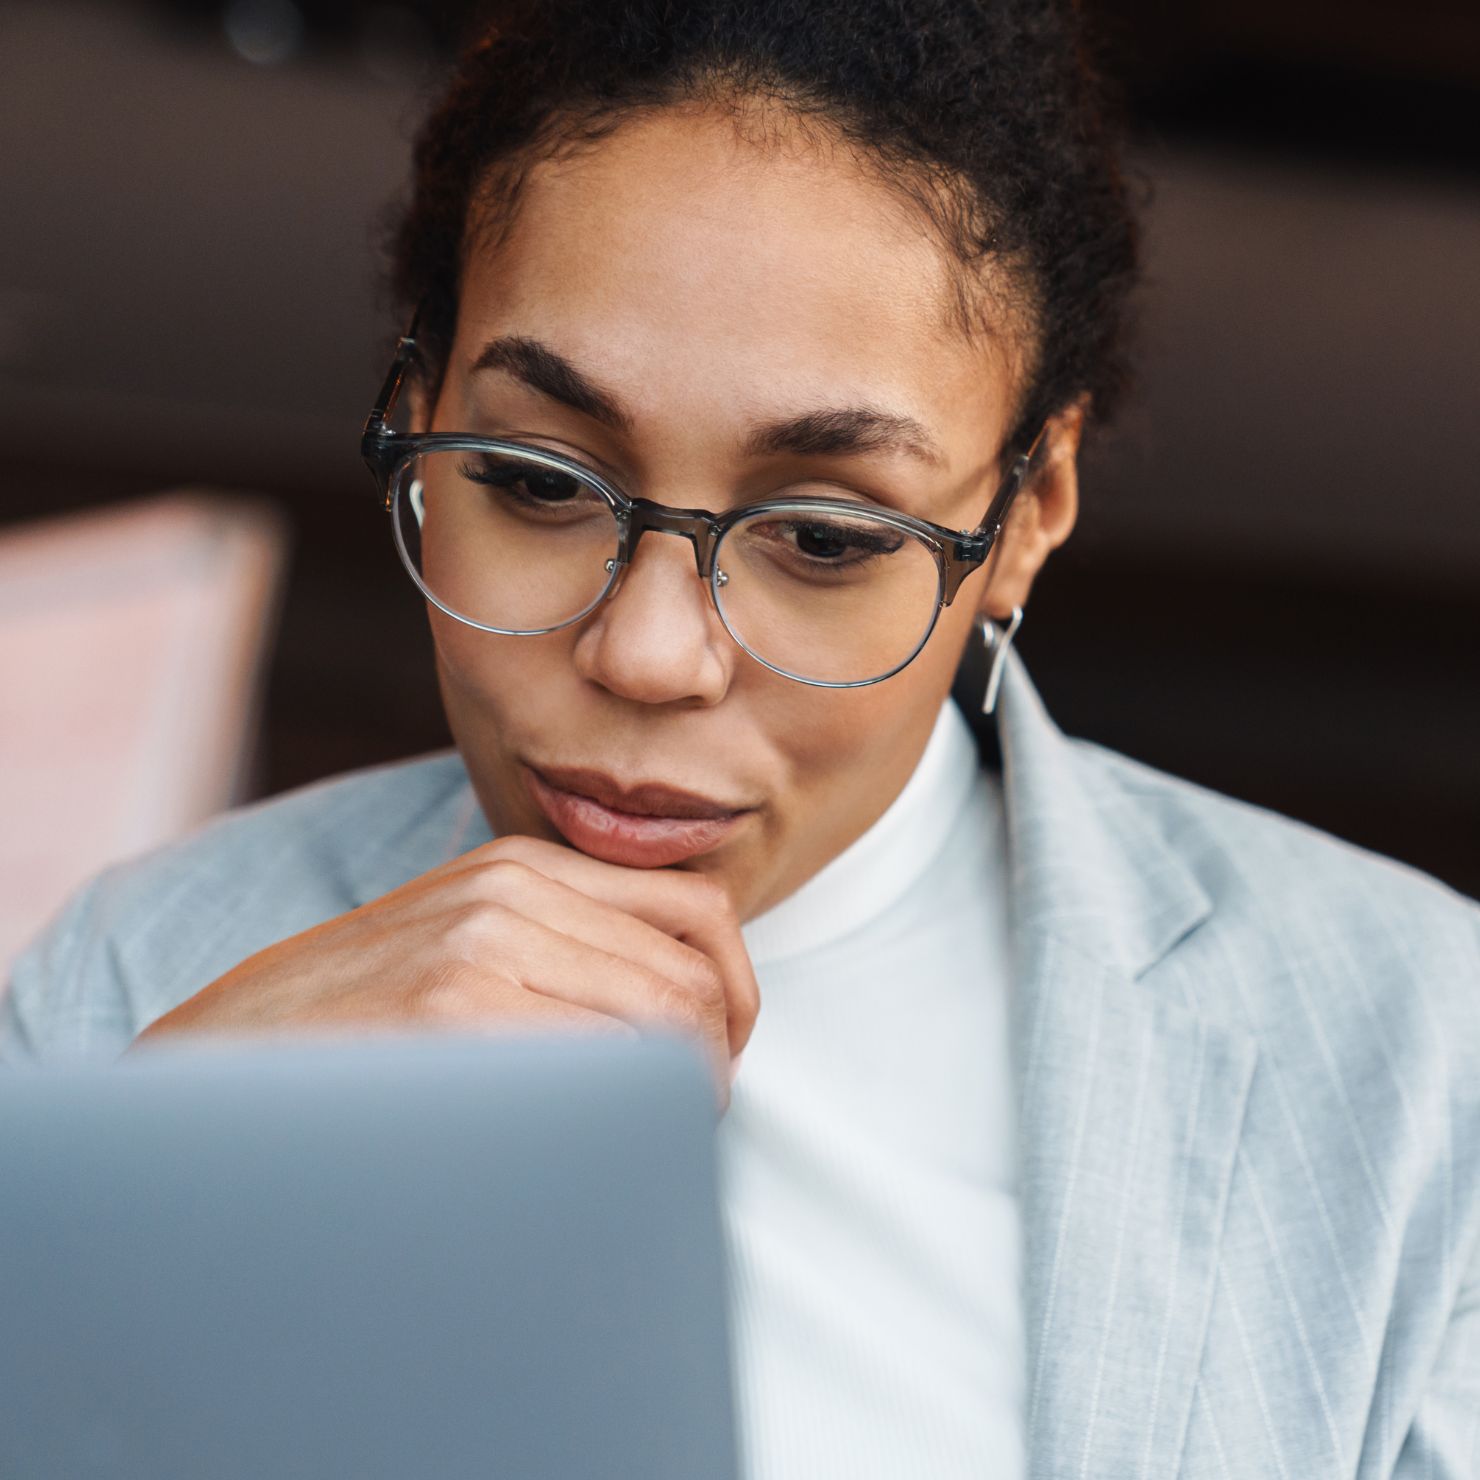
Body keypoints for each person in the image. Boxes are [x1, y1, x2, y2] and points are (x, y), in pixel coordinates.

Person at [5, 0, 1478, 1474]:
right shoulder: (147, 976)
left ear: (1026, 515)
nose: (648, 655)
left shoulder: (1418, 1056)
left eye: (826, 537)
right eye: (535, 479)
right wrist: (146, 1179)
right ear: (419, 407)